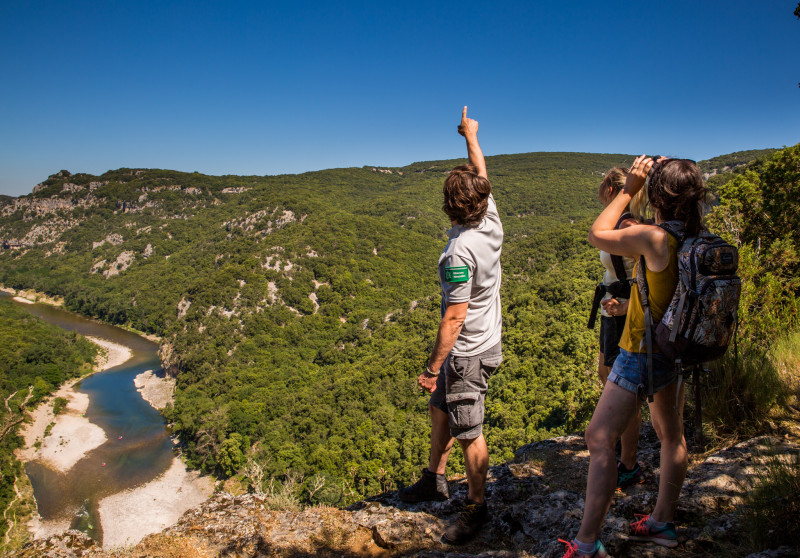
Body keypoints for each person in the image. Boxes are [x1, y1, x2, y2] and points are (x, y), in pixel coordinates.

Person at [559, 155, 708, 557]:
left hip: (642, 349)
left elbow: (597, 233)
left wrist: (628, 190)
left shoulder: (655, 238)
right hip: (674, 346)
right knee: (670, 435)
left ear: (657, 194)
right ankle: (662, 523)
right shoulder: (693, 234)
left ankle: (586, 544)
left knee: (598, 437)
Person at [399, 106, 503, 546]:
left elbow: (454, 317)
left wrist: (431, 366)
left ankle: (477, 508)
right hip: (488, 339)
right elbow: (481, 171)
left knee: (469, 430)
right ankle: (433, 479)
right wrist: (470, 135)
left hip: (466, 353)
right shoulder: (491, 219)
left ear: (448, 205)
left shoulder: (458, 253)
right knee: (440, 409)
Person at [593, 168, 644, 489]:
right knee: (606, 373)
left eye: (602, 189)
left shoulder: (628, 226)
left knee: (622, 387)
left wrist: (627, 305)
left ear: (611, 191)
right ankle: (622, 452)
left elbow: (656, 272)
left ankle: (628, 462)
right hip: (613, 311)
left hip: (625, 314)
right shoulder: (624, 223)